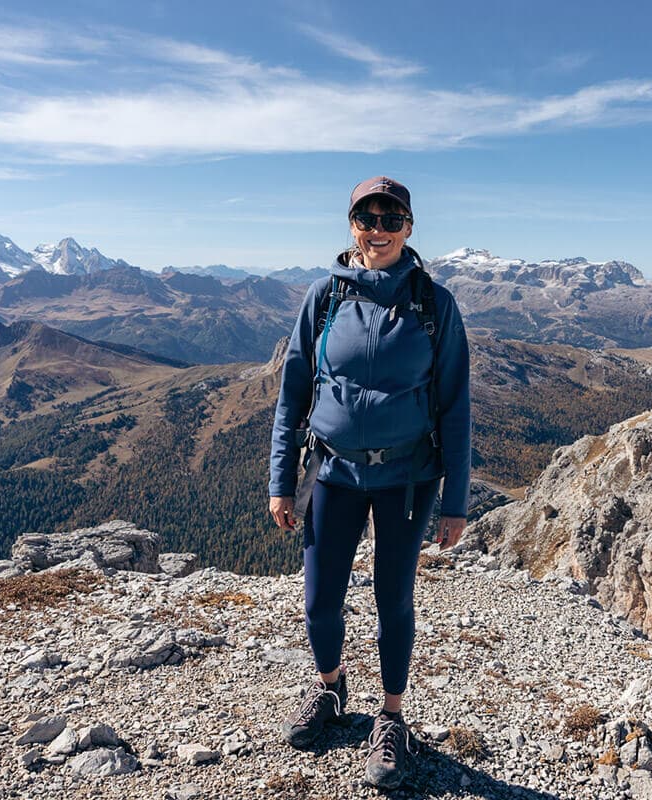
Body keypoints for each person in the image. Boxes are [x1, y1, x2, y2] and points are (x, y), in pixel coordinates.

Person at [268, 176, 471, 789]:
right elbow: (293, 393)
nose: (377, 230)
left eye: (391, 219)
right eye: (366, 218)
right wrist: (282, 478)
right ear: (350, 224)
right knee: (319, 598)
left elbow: (456, 409)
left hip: (407, 479)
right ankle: (331, 689)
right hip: (330, 471)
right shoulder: (324, 297)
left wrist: (455, 502)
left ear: (409, 229)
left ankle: (391, 716)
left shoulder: (435, 306)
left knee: (393, 600)